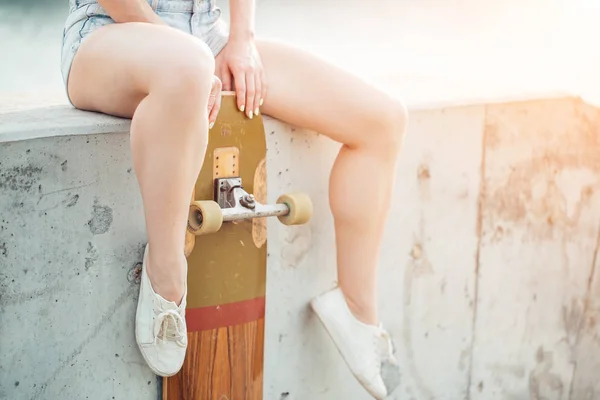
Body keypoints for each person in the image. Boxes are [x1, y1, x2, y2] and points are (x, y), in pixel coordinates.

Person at [61, 0, 407, 398]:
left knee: (383, 120)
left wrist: (242, 40)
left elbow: (208, 48)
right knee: (187, 64)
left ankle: (357, 312)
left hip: (207, 34)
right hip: (111, 33)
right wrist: (193, 59)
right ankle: (166, 276)